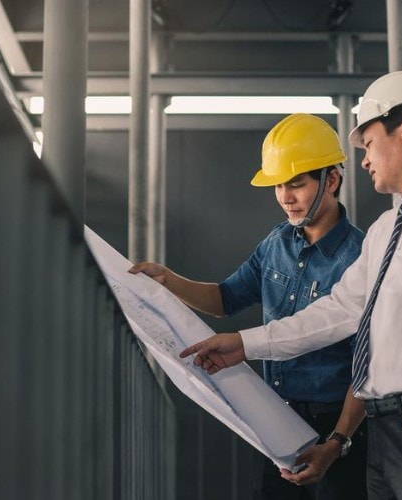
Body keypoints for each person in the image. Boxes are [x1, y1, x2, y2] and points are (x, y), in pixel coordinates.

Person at [180, 71, 402, 500]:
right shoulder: (386, 229)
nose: (363, 160)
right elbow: (338, 311)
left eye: (369, 143)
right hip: (384, 429)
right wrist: (245, 344)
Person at [130, 113, 368, 500]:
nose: (285, 197)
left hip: (336, 426)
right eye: (278, 186)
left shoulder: (361, 257)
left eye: (297, 184)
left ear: (333, 179)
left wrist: (338, 441)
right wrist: (168, 281)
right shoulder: (275, 243)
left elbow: (367, 364)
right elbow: (225, 299)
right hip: (273, 420)